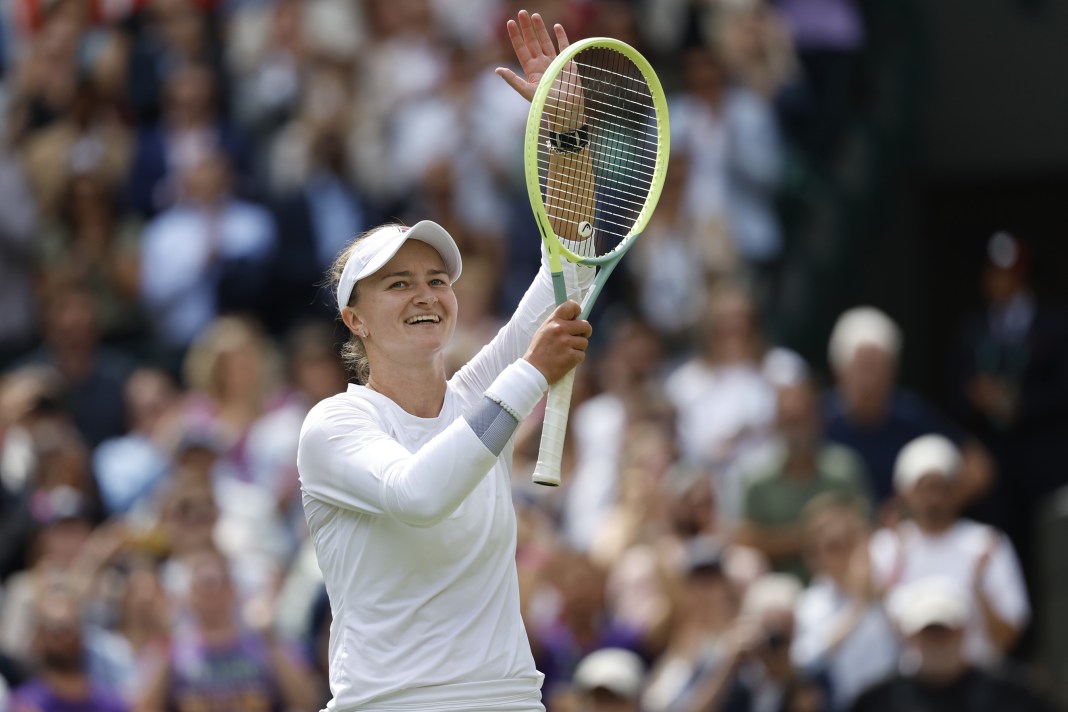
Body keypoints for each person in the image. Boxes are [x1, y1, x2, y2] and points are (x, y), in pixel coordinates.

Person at [295, 11, 595, 711]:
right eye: (398, 283)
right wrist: (530, 374)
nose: (426, 295)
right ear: (355, 320)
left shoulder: (477, 395)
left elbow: (572, 265)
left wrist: (569, 138)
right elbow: (420, 494)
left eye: (437, 280)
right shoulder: (334, 426)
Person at [868, 434, 1030, 667]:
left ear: (956, 490)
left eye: (939, 487)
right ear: (905, 493)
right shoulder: (884, 547)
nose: (932, 499)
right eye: (923, 488)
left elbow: (1009, 636)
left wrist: (978, 592)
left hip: (977, 680)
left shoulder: (987, 544)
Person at [823, 306, 994, 519]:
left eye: (877, 367)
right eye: (861, 367)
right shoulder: (817, 419)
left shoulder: (911, 414)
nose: (868, 380)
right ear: (839, 371)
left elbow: (979, 467)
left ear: (894, 371)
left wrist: (925, 508)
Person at [850, 577, 1058, 712]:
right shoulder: (877, 701)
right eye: (927, 632)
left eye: (944, 630)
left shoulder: (1012, 692)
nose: (936, 641)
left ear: (963, 632)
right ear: (909, 637)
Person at [735, 377, 871, 580]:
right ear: (776, 424)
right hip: (777, 585)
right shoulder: (755, 478)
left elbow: (865, 527)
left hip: (844, 579)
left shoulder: (845, 469)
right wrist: (806, 537)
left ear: (818, 421)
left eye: (802, 420)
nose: (796, 430)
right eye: (789, 421)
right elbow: (745, 541)